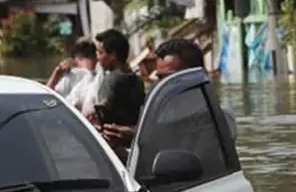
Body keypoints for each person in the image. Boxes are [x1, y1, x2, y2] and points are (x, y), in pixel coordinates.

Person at [100, 38, 237, 160]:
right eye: (160, 78)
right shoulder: (158, 117)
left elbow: (193, 155)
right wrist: (112, 146)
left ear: (193, 77)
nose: (163, 85)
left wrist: (140, 140)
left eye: (170, 79)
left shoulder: (221, 120)